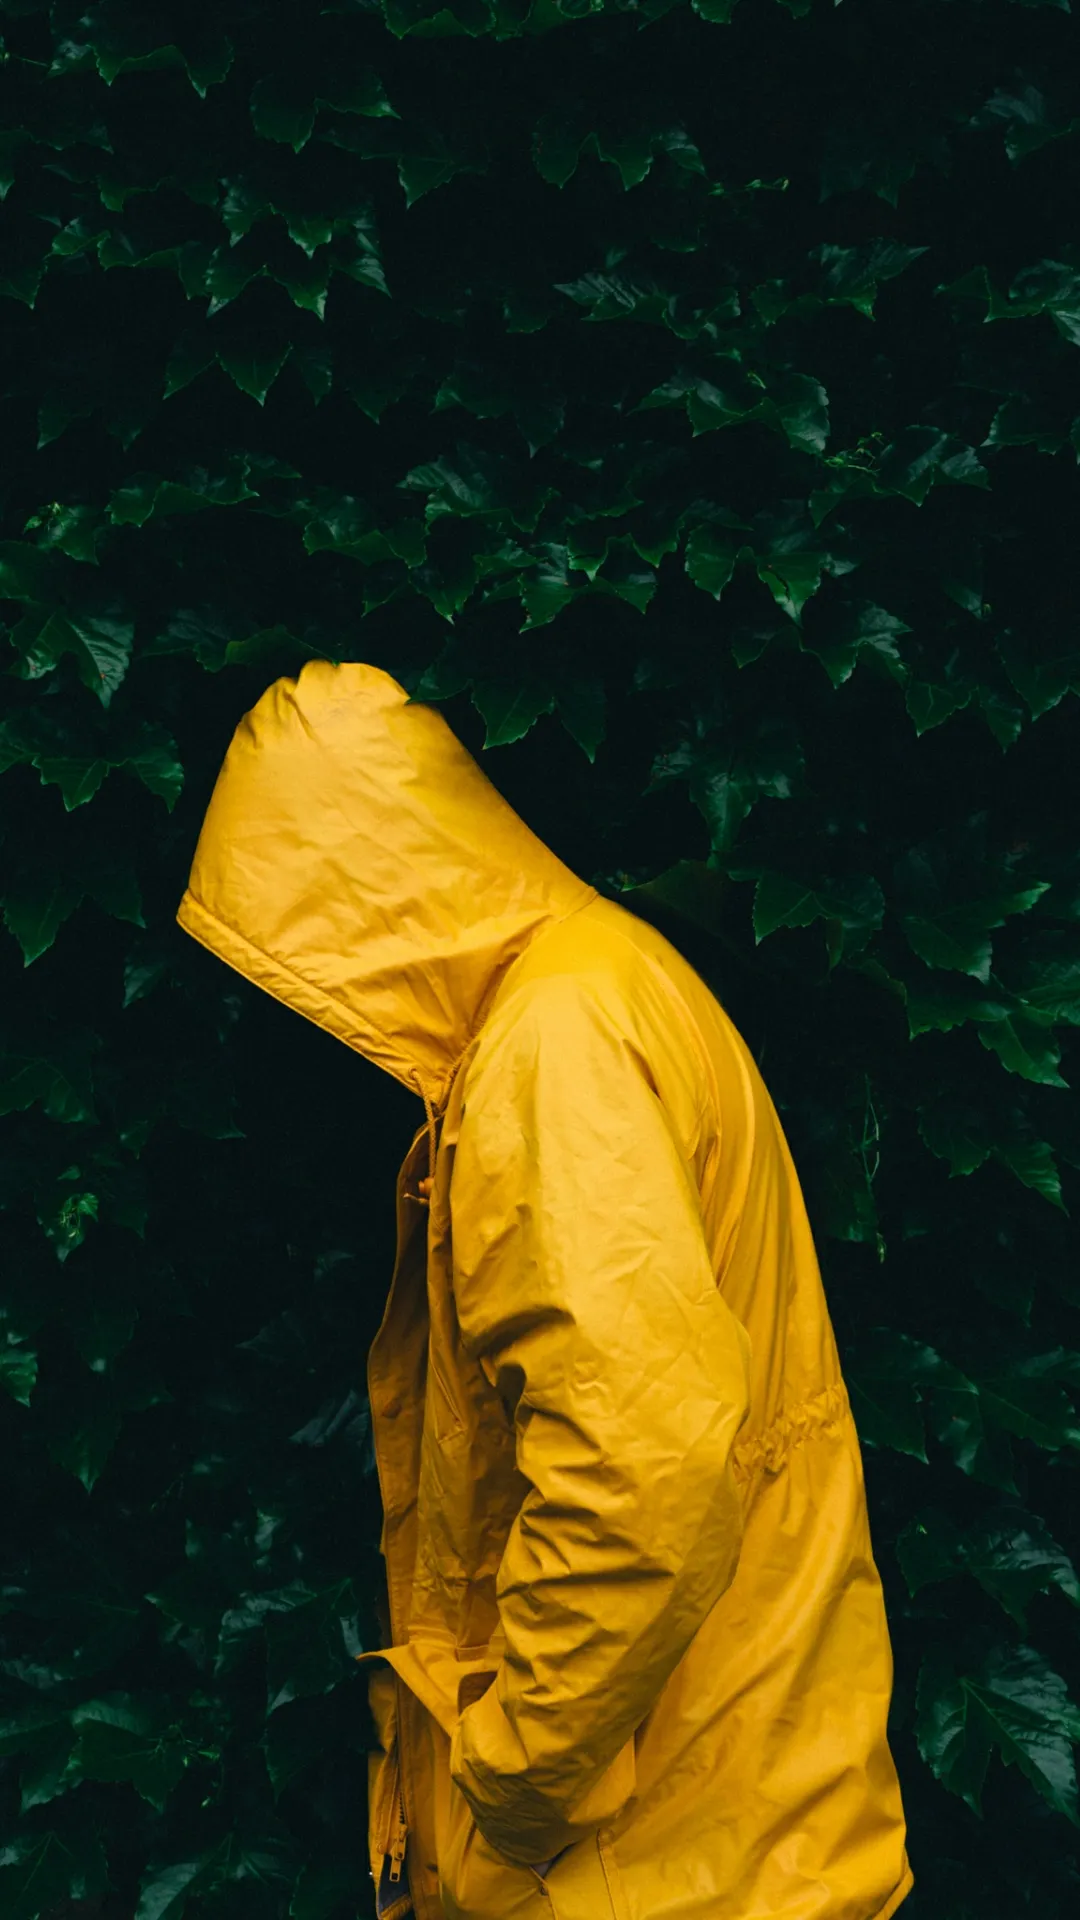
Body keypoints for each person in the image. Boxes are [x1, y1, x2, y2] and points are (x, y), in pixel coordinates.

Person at [177, 661, 912, 1920]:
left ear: (362, 892)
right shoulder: (610, 982)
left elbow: (638, 1476)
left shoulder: (549, 1050)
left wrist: (510, 1783)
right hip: (741, 1835)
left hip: (654, 1871)